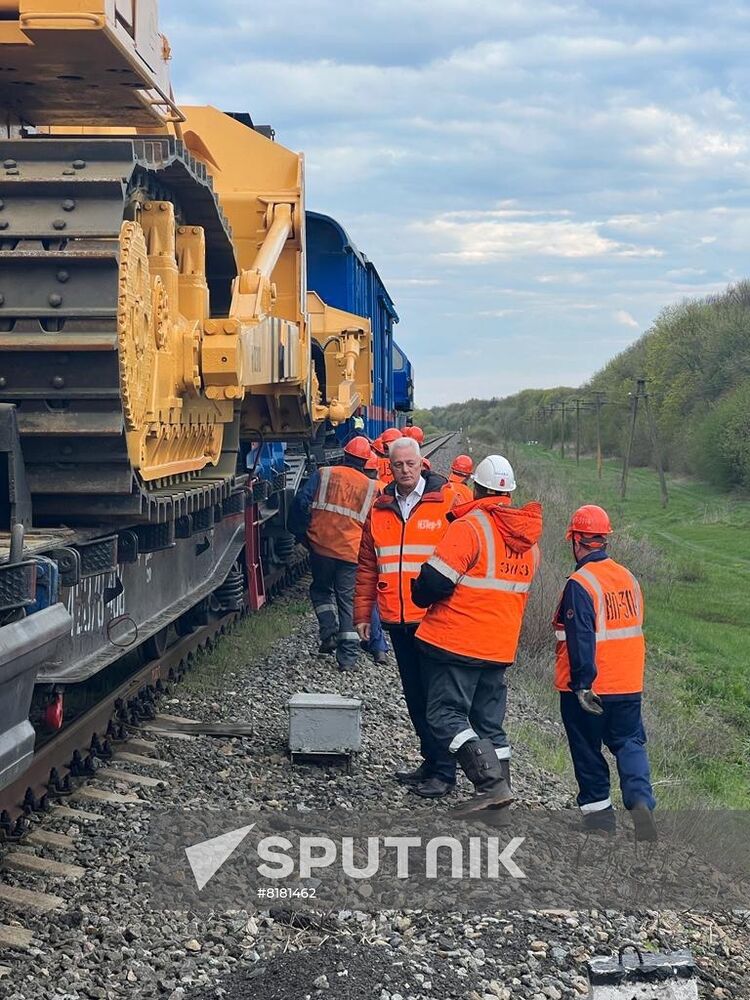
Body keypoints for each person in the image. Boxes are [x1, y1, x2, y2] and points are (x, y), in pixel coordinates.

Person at [412, 455, 542, 815]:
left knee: (445, 716)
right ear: (509, 493)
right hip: (500, 646)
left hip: (458, 641)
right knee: (489, 723)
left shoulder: (471, 527)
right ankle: (500, 803)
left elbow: (434, 582)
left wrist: (417, 592)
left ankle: (491, 786)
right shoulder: (529, 541)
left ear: (477, 488)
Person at [354, 436, 456, 797]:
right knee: (414, 695)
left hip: (434, 618)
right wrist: (363, 613)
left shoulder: (446, 502)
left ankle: (445, 772)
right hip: (398, 620)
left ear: (421, 463)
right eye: (398, 465)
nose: (405, 470)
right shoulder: (380, 508)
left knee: (435, 698)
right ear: (390, 466)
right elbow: (367, 565)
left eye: (411, 464)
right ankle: (430, 762)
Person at [553, 504, 657, 841]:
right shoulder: (628, 577)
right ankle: (641, 801)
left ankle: (600, 822)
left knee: (587, 748)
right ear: (604, 540)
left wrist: (582, 684)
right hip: (628, 683)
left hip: (591, 687)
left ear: (576, 541)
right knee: (629, 742)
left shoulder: (580, 583)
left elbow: (581, 637)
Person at [289, 436, 377, 672]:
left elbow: (301, 501)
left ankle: (328, 632)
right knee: (347, 601)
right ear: (366, 461)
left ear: (344, 454)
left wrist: (300, 531)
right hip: (351, 553)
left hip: (321, 547)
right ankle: (347, 659)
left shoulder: (324, 473)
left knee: (320, 590)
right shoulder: (372, 488)